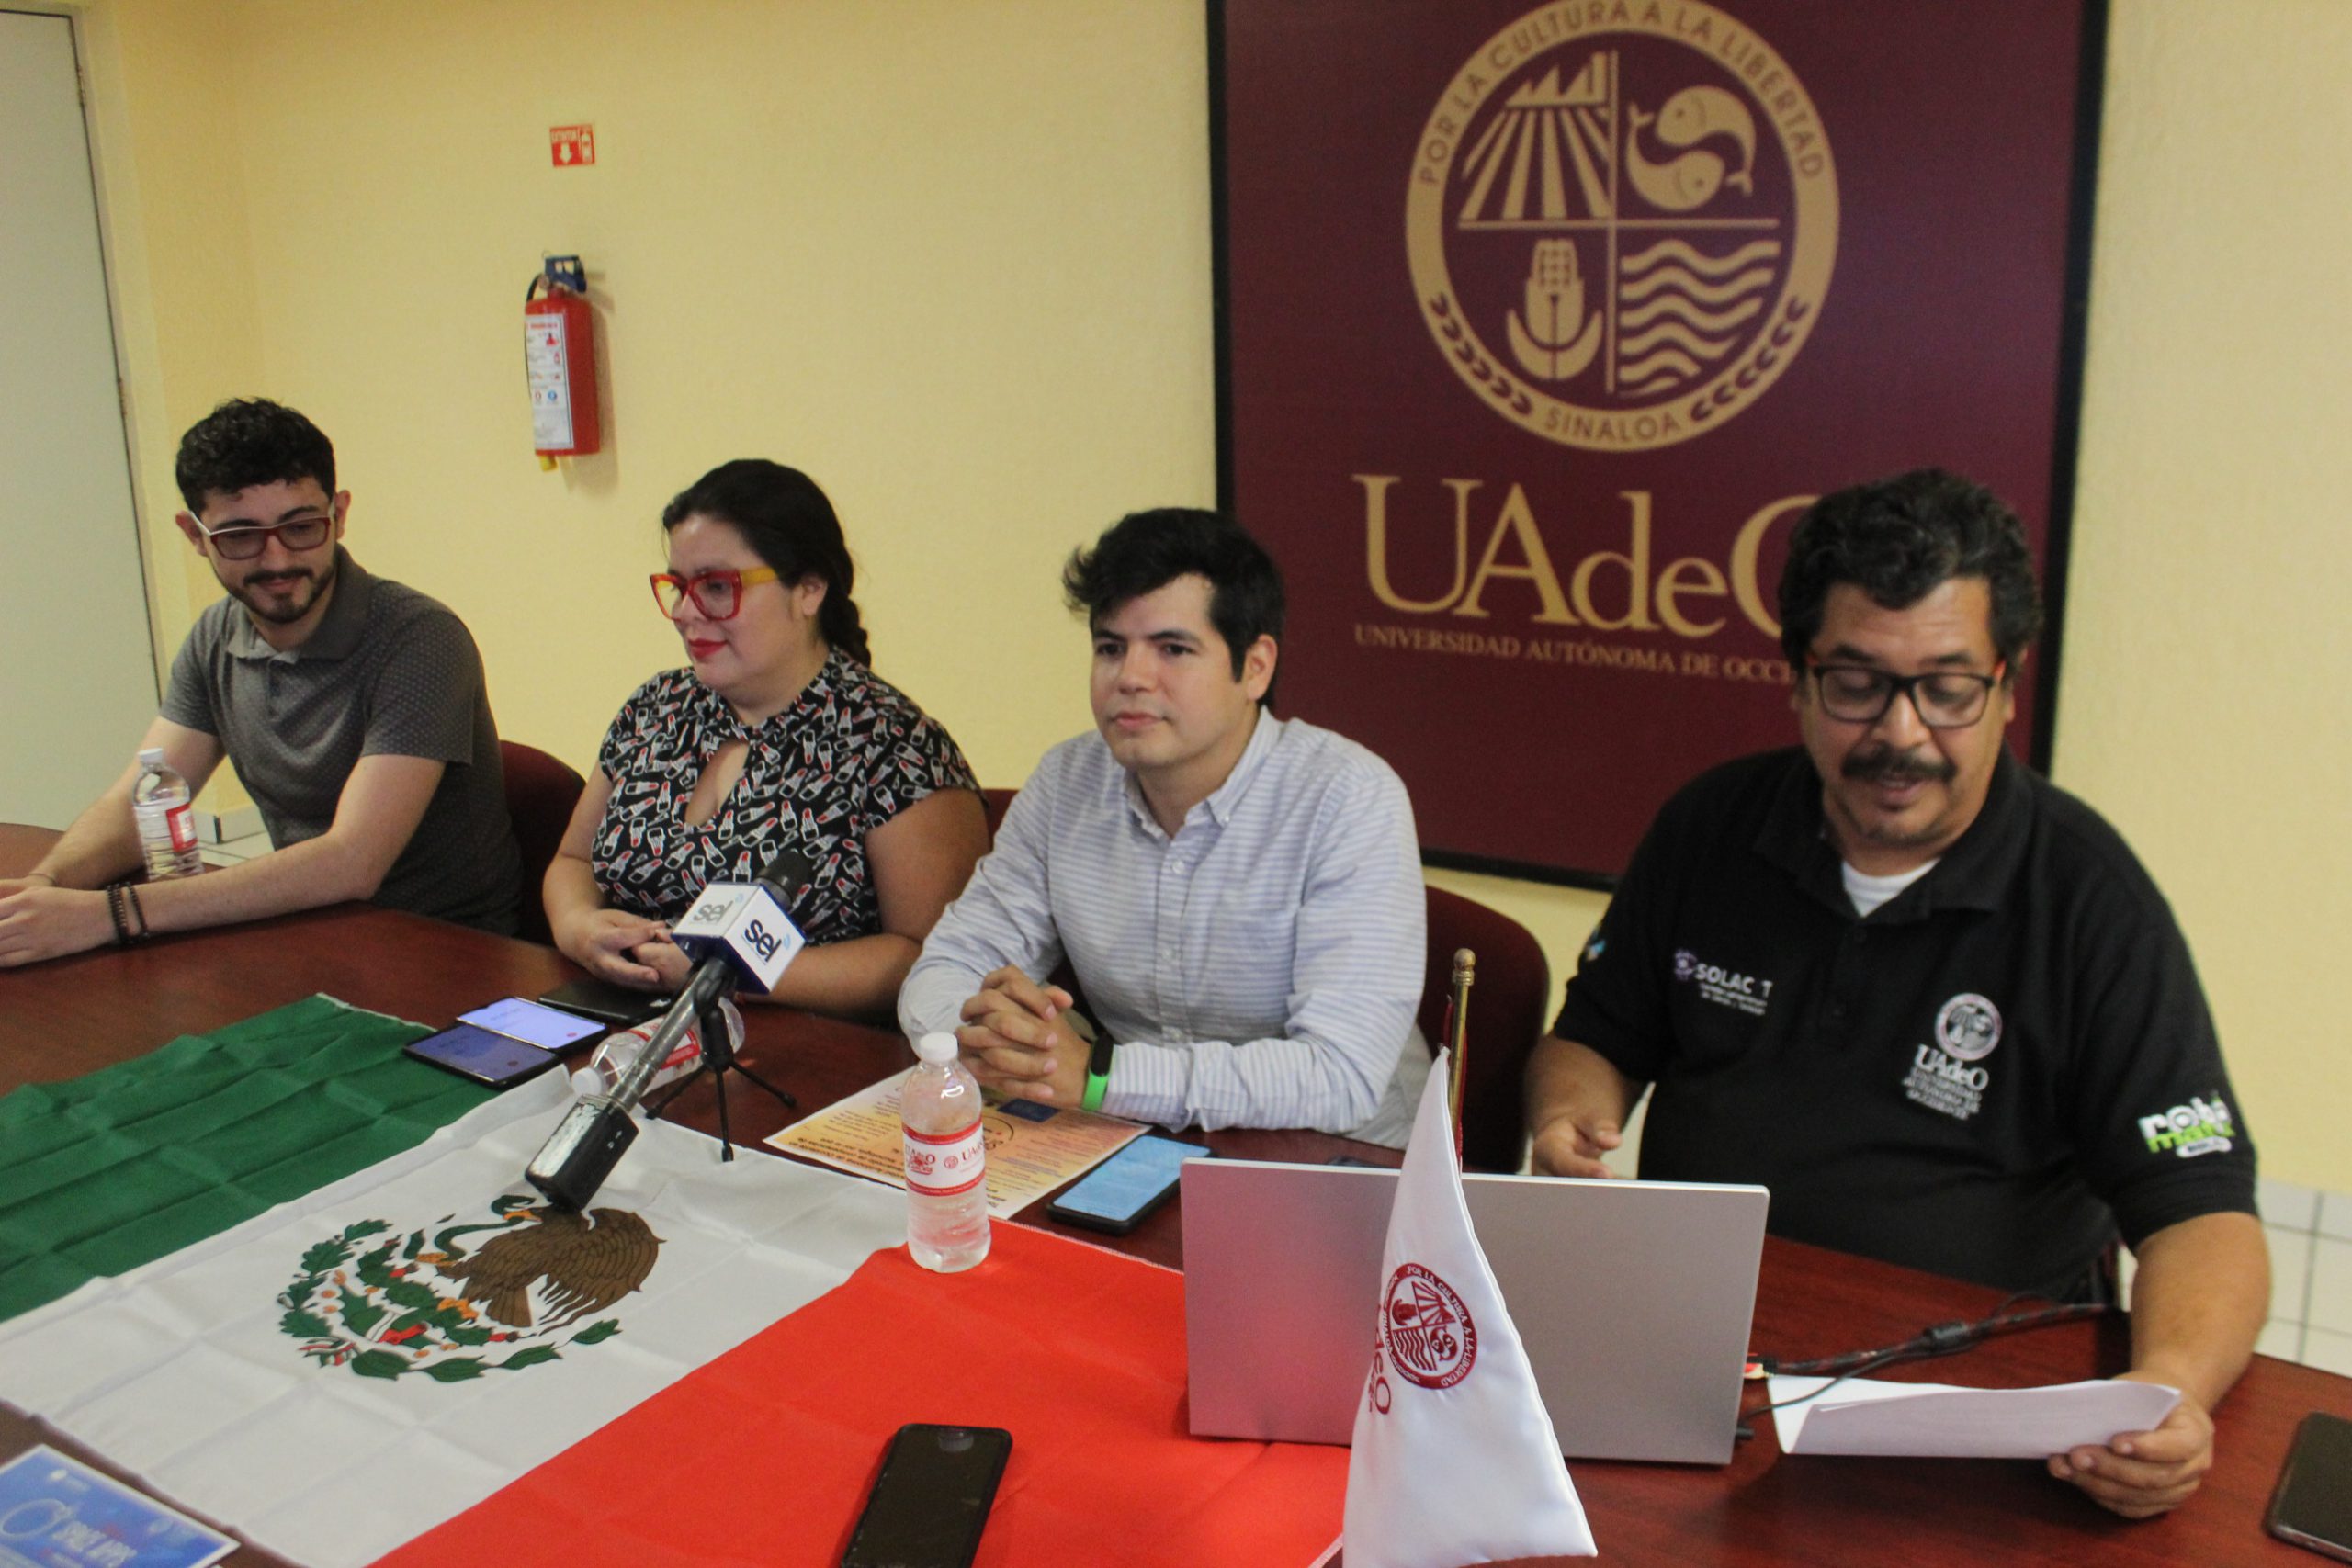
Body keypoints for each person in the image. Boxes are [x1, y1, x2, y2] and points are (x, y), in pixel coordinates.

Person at [1524, 468, 2266, 1518]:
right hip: (1701, 1372)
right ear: (1798, 678)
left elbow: (2202, 1212)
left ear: (2007, 687)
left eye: (1948, 688)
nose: (1902, 735)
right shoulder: (1709, 825)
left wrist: (2169, 1399)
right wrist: (1567, 1116)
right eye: (1859, 682)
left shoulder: (2089, 899)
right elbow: (1592, 1037)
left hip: (1981, 1409)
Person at [899, 508, 1428, 1145]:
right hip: (1139, 1142)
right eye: (1110, 647)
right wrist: (995, 1039)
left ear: (1255, 667)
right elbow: (946, 966)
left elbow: (1340, 1074)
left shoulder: (1349, 799)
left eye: (1173, 649)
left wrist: (1101, 1076)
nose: (1130, 677)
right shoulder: (1068, 780)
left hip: (1338, 1162)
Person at [0, 399, 521, 964]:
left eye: (300, 527)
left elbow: (351, 861)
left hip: (445, 951)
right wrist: (44, 887)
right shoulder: (214, 636)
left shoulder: (420, 638)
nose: (277, 559)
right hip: (306, 930)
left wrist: (112, 914)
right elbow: (139, 797)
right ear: (195, 535)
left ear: (339, 515)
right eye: (241, 535)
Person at [545, 459, 986, 1020]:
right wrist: (578, 927)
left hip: (798, 1050)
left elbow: (924, 958)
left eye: (716, 587)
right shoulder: (656, 707)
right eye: (678, 587)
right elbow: (572, 860)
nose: (685, 612)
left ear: (808, 590)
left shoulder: (894, 745)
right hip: (619, 1020)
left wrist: (727, 973)